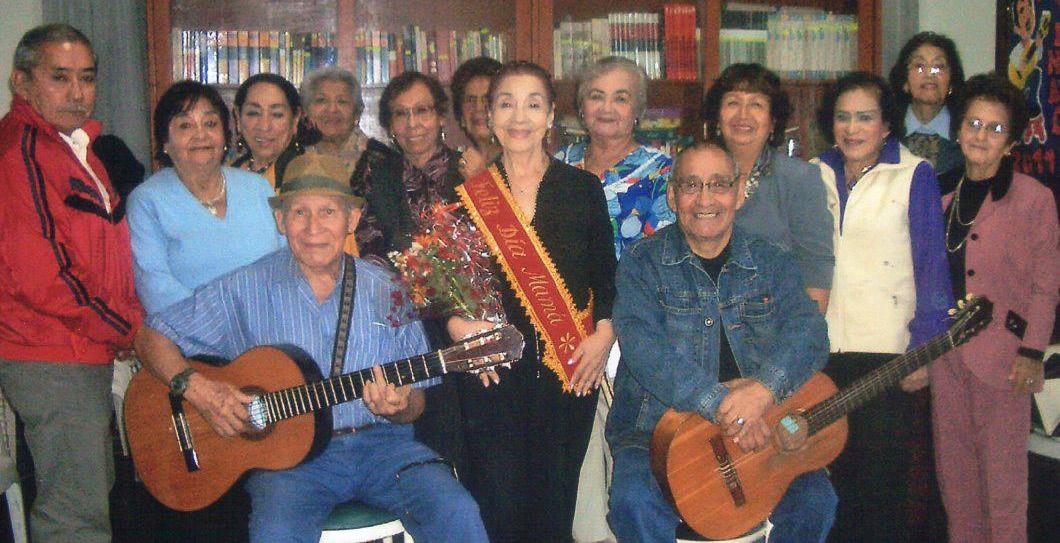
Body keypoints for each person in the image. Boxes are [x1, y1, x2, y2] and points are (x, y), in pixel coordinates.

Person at [133, 153, 488, 543]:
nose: (313, 228)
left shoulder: (390, 289)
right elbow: (151, 337)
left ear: (352, 219)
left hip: (384, 449)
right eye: (299, 212)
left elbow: (416, 402)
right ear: (280, 220)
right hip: (289, 465)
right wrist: (198, 389)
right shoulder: (244, 287)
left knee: (457, 511)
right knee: (275, 534)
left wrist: (401, 405)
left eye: (328, 212)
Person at [606, 142, 836, 542]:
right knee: (632, 503)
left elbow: (810, 333)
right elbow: (646, 352)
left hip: (762, 432)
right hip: (655, 435)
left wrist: (763, 393)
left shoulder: (772, 261)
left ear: (739, 192)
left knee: (816, 501)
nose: (705, 199)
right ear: (673, 196)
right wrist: (723, 406)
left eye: (718, 184)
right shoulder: (641, 263)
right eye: (691, 185)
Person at [448, 60, 617, 543]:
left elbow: (607, 279)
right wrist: (457, 327)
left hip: (568, 375)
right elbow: (445, 291)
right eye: (506, 104)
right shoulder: (466, 198)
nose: (519, 117)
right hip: (493, 379)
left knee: (554, 517)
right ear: (489, 115)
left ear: (551, 115)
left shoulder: (582, 189)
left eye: (533, 104)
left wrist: (604, 335)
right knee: (499, 515)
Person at [0, 24, 142, 542]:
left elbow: (102, 254)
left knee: (90, 495)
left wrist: (119, 325)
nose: (78, 92)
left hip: (81, 346)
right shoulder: (22, 152)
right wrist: (125, 328)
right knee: (75, 516)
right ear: (21, 82)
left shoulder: (72, 146)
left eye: (87, 78)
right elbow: (46, 277)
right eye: (60, 78)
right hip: (50, 353)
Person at [810, 72, 953, 543]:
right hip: (821, 355)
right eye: (843, 117)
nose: (852, 128)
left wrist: (924, 351)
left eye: (865, 117)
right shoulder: (813, 173)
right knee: (829, 485)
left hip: (889, 357)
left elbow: (932, 268)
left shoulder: (914, 175)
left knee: (881, 487)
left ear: (887, 124)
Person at [932, 73, 1059, 543]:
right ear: (958, 129)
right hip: (945, 359)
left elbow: (1047, 286)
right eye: (974, 123)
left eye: (995, 128)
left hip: (1005, 361)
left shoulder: (1033, 198)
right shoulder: (939, 192)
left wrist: (1031, 352)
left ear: (1011, 142)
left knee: (1003, 493)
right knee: (957, 488)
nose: (981, 135)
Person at [554, 55, 674, 543]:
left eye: (621, 98)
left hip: (631, 340)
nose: (607, 107)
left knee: (628, 469)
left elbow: (665, 270)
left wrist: (611, 329)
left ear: (638, 110)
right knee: (576, 475)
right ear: (581, 107)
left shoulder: (664, 174)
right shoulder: (553, 165)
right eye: (596, 96)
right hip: (559, 335)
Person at [129, 80, 284, 315]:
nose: (200, 135)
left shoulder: (259, 187)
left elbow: (287, 261)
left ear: (225, 135)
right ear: (165, 142)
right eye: (185, 126)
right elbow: (156, 288)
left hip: (268, 323)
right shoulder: (147, 201)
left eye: (210, 123)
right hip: (192, 330)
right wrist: (226, 323)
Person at [702, 62, 833, 313]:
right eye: (733, 103)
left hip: (774, 324)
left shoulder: (799, 179)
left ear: (773, 122)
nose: (743, 115)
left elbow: (816, 267)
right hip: (699, 321)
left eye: (756, 105)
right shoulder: (695, 174)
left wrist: (805, 330)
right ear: (717, 116)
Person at [300, 66, 401, 257]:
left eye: (342, 101)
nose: (332, 109)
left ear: (357, 113)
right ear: (305, 111)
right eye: (321, 100)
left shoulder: (385, 162)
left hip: (373, 270)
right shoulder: (294, 162)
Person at [889, 32, 966, 179]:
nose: (929, 74)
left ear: (951, 81)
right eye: (920, 66)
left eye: (938, 67)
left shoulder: (967, 132)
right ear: (904, 80)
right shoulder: (886, 131)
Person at [230, 72, 306, 189]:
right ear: (238, 117)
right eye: (253, 113)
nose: (264, 126)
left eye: (277, 114)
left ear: (295, 119)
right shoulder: (227, 174)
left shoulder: (309, 176)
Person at [451, 56, 502, 174]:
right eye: (470, 100)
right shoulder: (453, 169)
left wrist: (479, 177)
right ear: (461, 116)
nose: (478, 108)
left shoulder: (523, 164)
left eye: (488, 99)